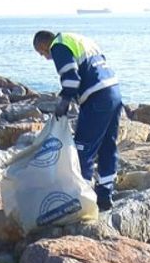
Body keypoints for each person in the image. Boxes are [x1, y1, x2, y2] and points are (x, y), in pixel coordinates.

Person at [33, 30, 122, 211]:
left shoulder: (58, 45)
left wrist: (64, 101)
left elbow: (71, 78)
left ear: (44, 44)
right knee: (107, 146)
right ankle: (105, 195)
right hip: (114, 91)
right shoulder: (81, 41)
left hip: (96, 98)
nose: (45, 57)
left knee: (83, 148)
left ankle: (82, 199)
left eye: (41, 52)